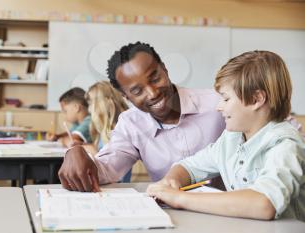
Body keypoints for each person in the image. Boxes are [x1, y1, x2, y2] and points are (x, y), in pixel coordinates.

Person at [146, 51, 305, 221]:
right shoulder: (232, 138)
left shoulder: (285, 144)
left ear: (257, 99)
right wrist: (171, 180)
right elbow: (190, 166)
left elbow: (265, 204)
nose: (219, 107)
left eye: (226, 99)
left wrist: (179, 199)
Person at [58, 41, 225, 191]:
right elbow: (107, 168)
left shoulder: (218, 104)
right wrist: (77, 155)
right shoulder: (131, 123)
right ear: (126, 97)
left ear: (165, 70)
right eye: (137, 91)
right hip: (173, 213)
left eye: (155, 78)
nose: (153, 93)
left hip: (228, 212)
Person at [83, 81, 132, 182]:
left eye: (91, 103)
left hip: (117, 190)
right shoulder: (103, 132)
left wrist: (94, 152)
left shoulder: (119, 132)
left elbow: (116, 176)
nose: (89, 109)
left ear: (103, 104)